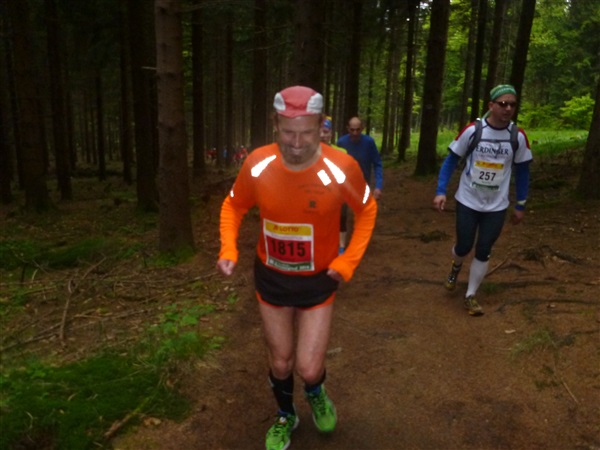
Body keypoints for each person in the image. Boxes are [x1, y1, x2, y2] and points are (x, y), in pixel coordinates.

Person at [216, 86, 378, 450]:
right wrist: (228, 247)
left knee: (308, 368)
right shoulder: (258, 164)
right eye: (288, 132)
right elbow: (233, 205)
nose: (297, 143)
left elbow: (367, 209)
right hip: (272, 277)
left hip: (319, 279)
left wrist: (348, 260)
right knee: (281, 362)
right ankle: (286, 414)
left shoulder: (341, 168)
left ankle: (316, 392)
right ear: (275, 125)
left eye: (306, 132)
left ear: (321, 127)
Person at [433, 84, 533, 316]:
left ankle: (470, 295)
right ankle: (456, 266)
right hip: (468, 200)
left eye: (512, 104)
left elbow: (523, 171)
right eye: (503, 104)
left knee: (484, 248)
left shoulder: (517, 136)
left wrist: (521, 203)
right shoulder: (473, 131)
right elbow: (451, 160)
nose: (508, 109)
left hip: (496, 205)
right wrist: (440, 191)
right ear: (491, 105)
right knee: (464, 245)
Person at [320, 116, 349, 254]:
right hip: (316, 192)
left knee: (341, 217)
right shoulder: (308, 152)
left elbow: (344, 172)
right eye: (319, 132)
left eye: (325, 132)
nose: (322, 135)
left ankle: (341, 247)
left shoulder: (341, 152)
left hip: (337, 191)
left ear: (331, 133)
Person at [336, 116, 383, 201]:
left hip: (363, 185)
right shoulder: (341, 143)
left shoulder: (369, 142)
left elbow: (377, 164)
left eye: (358, 129)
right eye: (352, 130)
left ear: (362, 128)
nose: (355, 133)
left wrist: (378, 186)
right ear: (348, 128)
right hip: (344, 185)